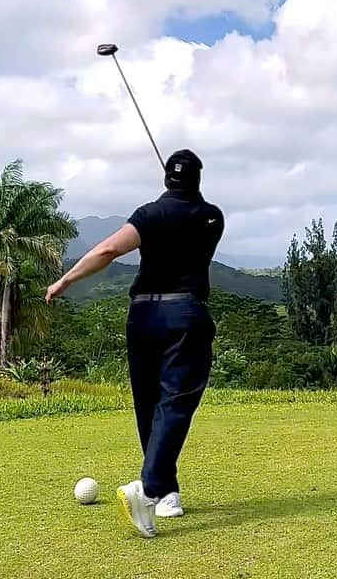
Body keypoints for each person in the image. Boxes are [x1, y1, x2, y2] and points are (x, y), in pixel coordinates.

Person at [45, 148, 224, 538]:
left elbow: (109, 249)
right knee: (175, 402)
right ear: (198, 179)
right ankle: (148, 487)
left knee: (150, 403)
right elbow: (187, 224)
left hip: (142, 316)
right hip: (185, 315)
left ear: (166, 180)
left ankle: (166, 490)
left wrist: (66, 281)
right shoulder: (212, 217)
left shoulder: (149, 214)